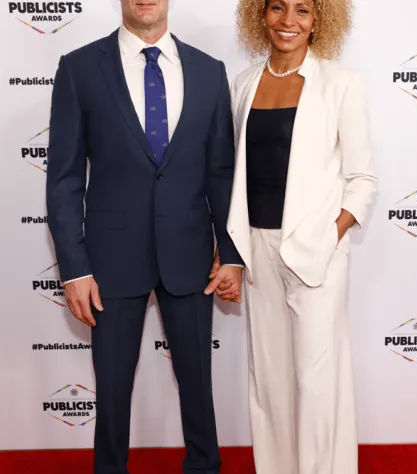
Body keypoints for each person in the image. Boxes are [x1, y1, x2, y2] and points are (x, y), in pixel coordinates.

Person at [46, 1, 244, 473]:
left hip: (192, 258)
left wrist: (232, 254)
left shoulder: (209, 71)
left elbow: (222, 174)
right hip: (110, 262)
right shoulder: (79, 69)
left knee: (198, 384)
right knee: (111, 391)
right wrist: (74, 267)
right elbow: (65, 179)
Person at [222, 0, 377, 473]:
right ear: (259, 14)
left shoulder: (340, 84)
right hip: (257, 246)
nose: (288, 21)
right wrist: (228, 250)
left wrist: (329, 236)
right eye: (277, 8)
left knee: (315, 382)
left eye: (303, 10)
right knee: (268, 383)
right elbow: (235, 175)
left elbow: (363, 180)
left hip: (315, 255)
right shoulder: (244, 83)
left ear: (320, 20)